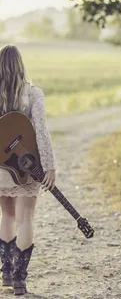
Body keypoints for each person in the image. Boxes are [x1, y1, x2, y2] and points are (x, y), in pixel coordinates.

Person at [0, 45, 56, 295]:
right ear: (21, 66)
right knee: (25, 219)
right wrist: (49, 167)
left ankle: (6, 275)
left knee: (7, 216)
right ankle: (20, 279)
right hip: (26, 167)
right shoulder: (34, 94)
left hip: (1, 168)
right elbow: (41, 133)